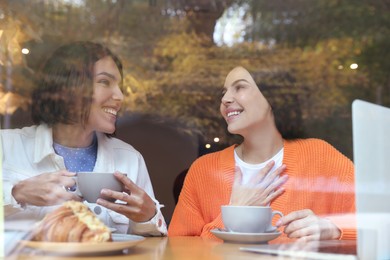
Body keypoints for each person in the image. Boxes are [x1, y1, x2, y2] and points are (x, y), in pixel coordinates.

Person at [168, 66, 356, 242]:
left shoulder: (320, 156)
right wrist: (233, 216)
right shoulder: (204, 169)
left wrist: (334, 229)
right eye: (223, 92)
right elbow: (176, 249)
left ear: (273, 98)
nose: (225, 99)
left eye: (240, 87)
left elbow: (379, 222)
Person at [2, 41, 166, 236]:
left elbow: (154, 249)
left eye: (119, 86)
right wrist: (15, 194)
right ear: (66, 89)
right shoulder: (5, 146)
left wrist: (148, 217)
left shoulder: (130, 159)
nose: (120, 96)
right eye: (105, 82)